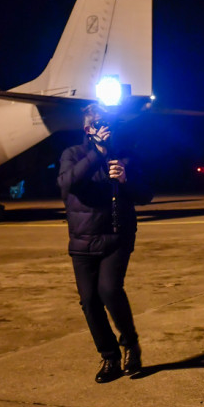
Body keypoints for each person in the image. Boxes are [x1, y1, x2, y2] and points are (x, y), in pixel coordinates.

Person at [58, 104, 153, 383]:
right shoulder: (73, 155)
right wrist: (96, 155)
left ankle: (130, 345)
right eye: (99, 123)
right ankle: (109, 356)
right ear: (88, 130)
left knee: (110, 290)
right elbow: (67, 183)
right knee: (89, 301)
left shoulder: (126, 156)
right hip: (82, 239)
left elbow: (146, 194)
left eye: (109, 122)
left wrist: (125, 179)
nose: (106, 127)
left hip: (116, 236)